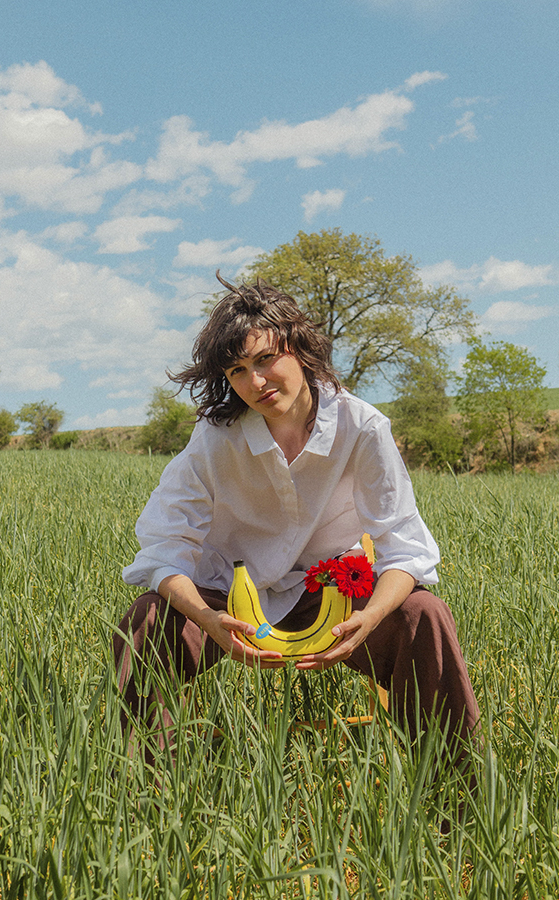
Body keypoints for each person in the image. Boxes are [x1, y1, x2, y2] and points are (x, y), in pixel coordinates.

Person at [113, 274, 480, 764]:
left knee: (423, 615)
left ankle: (453, 788)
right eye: (238, 370)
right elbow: (164, 549)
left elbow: (404, 549)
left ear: (300, 348)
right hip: (225, 593)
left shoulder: (362, 427)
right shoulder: (215, 437)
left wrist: (371, 617)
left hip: (328, 590)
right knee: (147, 621)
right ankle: (148, 785)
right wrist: (207, 619)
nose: (256, 382)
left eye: (266, 359)